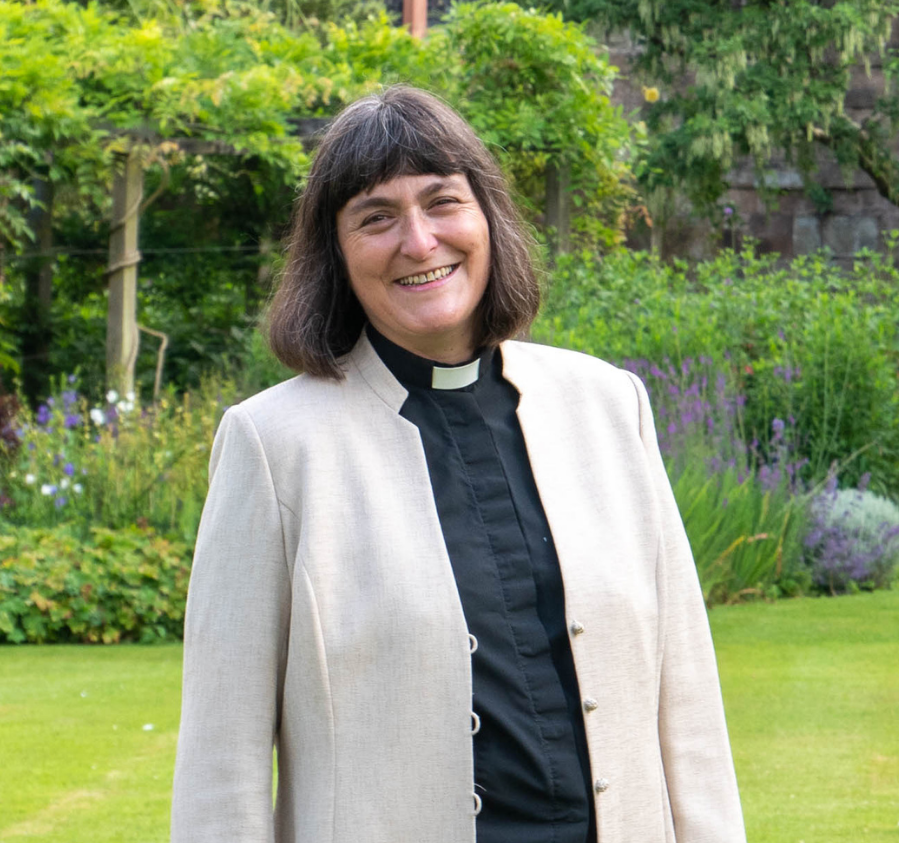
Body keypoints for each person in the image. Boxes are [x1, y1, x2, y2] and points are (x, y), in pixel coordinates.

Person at [170, 85, 747, 843]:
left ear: (487, 219)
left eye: (442, 201)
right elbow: (222, 759)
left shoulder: (611, 406)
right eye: (376, 217)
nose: (419, 240)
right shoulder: (275, 446)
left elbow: (689, 710)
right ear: (336, 256)